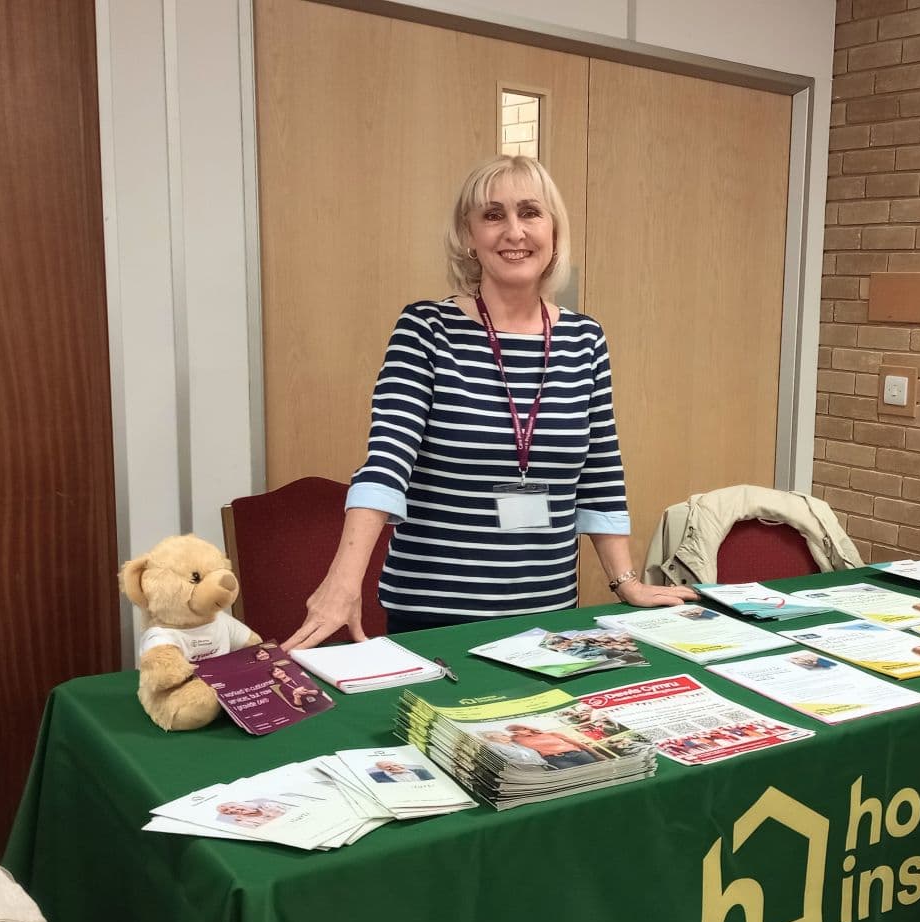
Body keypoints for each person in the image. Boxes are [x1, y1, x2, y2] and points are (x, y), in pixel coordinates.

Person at [283, 155, 694, 650]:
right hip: (434, 613)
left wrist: (626, 581)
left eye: (530, 213)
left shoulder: (585, 339)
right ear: (468, 235)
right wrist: (344, 582)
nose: (514, 232)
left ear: (554, 231)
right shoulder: (426, 329)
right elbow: (386, 461)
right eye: (493, 215)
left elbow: (601, 470)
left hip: (548, 612)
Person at [504, 723, 601, 769]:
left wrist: (597, 755)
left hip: (576, 753)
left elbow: (578, 743)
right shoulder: (516, 739)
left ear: (526, 727)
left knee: (597, 768)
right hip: (555, 759)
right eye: (512, 730)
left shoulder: (551, 734)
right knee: (577, 774)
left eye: (517, 729)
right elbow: (501, 740)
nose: (515, 731)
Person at [367, 758, 433, 783]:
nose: (395, 768)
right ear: (381, 769)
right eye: (388, 767)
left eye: (395, 765)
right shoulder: (375, 776)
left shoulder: (422, 771)